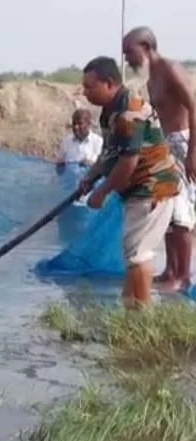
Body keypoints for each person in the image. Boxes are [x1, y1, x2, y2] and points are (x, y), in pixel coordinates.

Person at [78, 56, 183, 309]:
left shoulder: (129, 112)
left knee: (138, 255)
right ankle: (129, 311)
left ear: (109, 83)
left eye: (90, 87)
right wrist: (91, 177)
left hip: (153, 188)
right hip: (137, 191)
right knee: (133, 253)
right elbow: (109, 153)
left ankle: (144, 319)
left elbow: (128, 163)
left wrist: (101, 193)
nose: (85, 93)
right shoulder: (109, 113)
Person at [123, 26, 196, 292]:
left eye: (129, 53)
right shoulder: (150, 76)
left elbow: (193, 106)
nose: (127, 60)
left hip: (183, 142)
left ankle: (184, 276)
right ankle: (171, 271)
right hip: (165, 145)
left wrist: (192, 154)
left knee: (181, 215)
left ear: (146, 47)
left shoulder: (170, 70)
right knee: (163, 207)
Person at [55, 109, 103, 174]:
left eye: (80, 123)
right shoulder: (66, 142)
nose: (76, 127)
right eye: (74, 123)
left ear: (89, 124)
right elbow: (58, 167)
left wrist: (89, 163)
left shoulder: (98, 142)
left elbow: (102, 167)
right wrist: (62, 165)